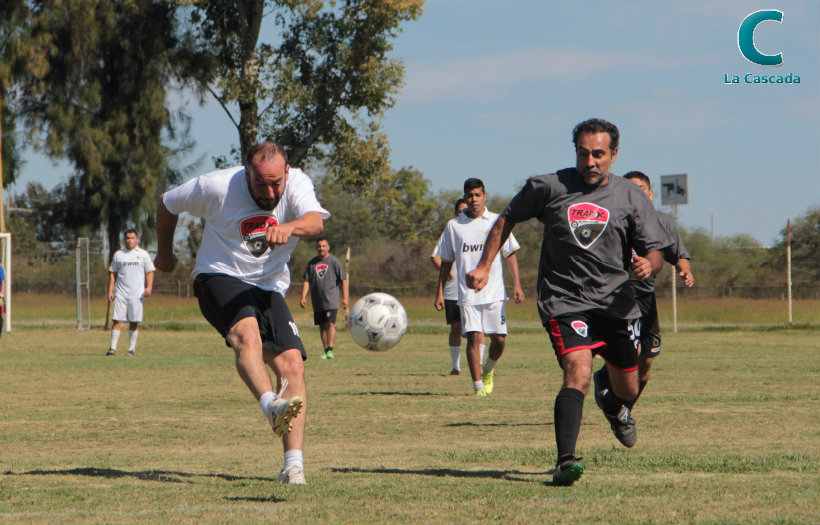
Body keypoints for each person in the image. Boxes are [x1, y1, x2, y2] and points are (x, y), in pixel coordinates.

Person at [466, 118, 671, 486]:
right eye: (583, 153)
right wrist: (484, 265)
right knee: (575, 372)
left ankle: (612, 403)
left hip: (616, 303)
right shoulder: (548, 187)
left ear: (614, 154)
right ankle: (565, 461)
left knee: (629, 389)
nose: (590, 161)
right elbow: (506, 218)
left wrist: (647, 264)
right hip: (565, 300)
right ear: (574, 151)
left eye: (598, 154)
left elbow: (656, 251)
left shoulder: (631, 196)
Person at [154, 142, 329, 486]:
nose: (270, 191)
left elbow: (315, 222)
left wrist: (290, 227)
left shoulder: (296, 184)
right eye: (261, 182)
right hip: (219, 275)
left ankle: (293, 467)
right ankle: (270, 405)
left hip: (268, 287)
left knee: (293, 365)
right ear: (246, 172)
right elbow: (166, 202)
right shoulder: (216, 186)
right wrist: (165, 253)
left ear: (287, 173)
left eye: (276, 182)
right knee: (246, 335)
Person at [592, 171, 694, 418]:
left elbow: (678, 253)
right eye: (631, 189)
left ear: (650, 194)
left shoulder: (662, 222)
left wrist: (684, 270)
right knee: (629, 353)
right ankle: (619, 407)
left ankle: (623, 407)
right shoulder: (613, 219)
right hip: (618, 298)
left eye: (641, 189)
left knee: (646, 362)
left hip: (646, 298)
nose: (636, 194)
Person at [435, 178, 525, 396]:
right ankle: (477, 387)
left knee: (499, 339)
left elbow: (509, 254)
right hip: (467, 293)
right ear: (465, 198)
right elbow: (446, 261)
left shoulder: (497, 221)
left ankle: (488, 370)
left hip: (494, 292)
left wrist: (517, 285)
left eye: (477, 195)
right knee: (475, 336)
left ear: (484, 196)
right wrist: (439, 292)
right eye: (469, 195)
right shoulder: (453, 226)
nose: (473, 199)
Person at [431, 199, 485, 375]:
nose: (464, 212)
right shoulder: (452, 229)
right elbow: (436, 256)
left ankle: (480, 364)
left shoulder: (481, 228)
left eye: (466, 209)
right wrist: (446, 273)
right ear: (456, 213)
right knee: (455, 326)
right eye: (460, 210)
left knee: (479, 329)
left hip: (476, 288)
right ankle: (456, 366)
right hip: (454, 290)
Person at [106, 230, 155, 356]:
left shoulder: (143, 254)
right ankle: (112, 348)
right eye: (127, 238)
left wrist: (149, 287)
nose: (129, 240)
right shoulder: (119, 254)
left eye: (132, 238)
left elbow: (150, 271)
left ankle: (131, 349)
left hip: (137, 294)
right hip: (121, 293)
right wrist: (111, 290)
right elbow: (113, 272)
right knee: (117, 320)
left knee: (134, 321)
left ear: (137, 239)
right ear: (125, 239)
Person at [300, 238, 349, 359]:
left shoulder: (335, 262)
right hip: (317, 300)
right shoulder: (312, 263)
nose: (321, 249)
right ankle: (325, 349)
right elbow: (307, 281)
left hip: (331, 299)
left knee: (330, 323)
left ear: (328, 247)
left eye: (323, 246)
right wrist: (303, 296)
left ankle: (330, 349)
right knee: (322, 325)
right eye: (319, 246)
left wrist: (345, 298)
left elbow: (343, 280)